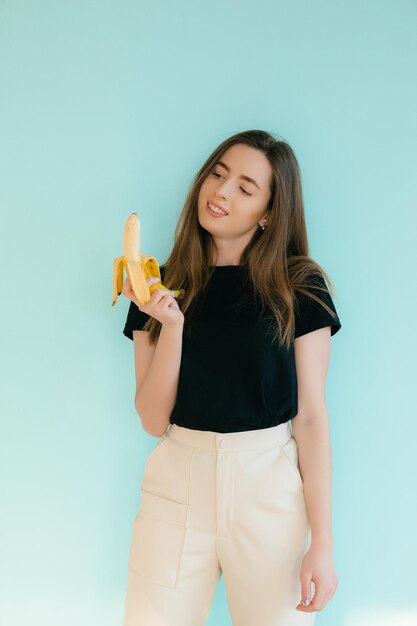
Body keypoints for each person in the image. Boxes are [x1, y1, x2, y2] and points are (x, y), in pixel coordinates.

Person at [120, 130, 342, 626]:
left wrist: (322, 546)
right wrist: (171, 323)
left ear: (268, 212)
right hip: (177, 484)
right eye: (218, 174)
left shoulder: (300, 287)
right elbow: (153, 419)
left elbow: (310, 419)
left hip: (270, 489)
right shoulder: (155, 283)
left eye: (245, 187)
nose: (220, 192)